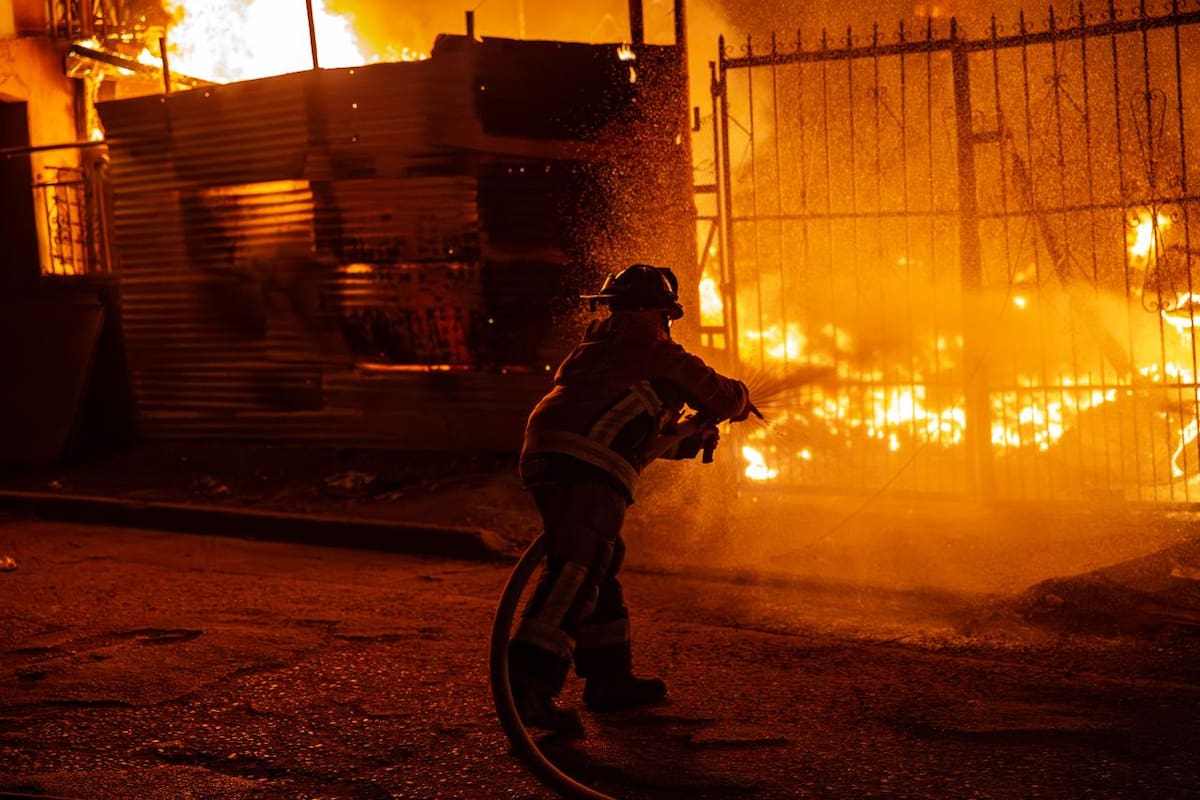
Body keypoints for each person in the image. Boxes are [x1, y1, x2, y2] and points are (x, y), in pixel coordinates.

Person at [508, 263, 757, 734]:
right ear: (660, 312)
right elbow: (723, 397)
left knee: (598, 564)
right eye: (666, 315)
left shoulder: (598, 351)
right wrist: (741, 399)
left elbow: (632, 429)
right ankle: (528, 684)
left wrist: (687, 437)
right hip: (583, 460)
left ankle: (609, 680)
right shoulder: (653, 347)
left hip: (553, 452)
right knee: (577, 568)